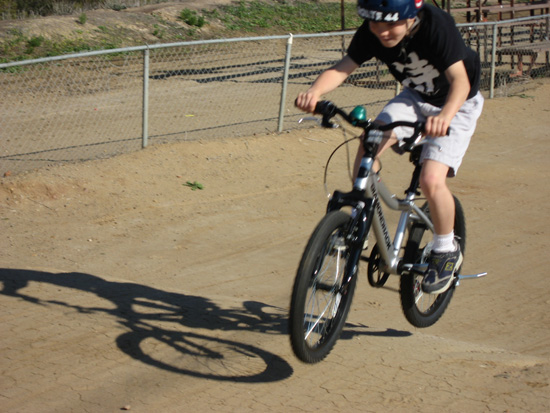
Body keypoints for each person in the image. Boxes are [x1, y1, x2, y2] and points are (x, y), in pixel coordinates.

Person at [295, 0, 484, 294]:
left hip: (456, 105)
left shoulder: (436, 25)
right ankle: (358, 219)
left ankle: (446, 249)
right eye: (376, 23)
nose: (382, 32)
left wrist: (445, 116)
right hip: (414, 97)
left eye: (391, 24)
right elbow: (343, 68)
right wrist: (314, 91)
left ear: (411, 17)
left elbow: (460, 81)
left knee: (431, 180)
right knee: (368, 144)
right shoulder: (373, 30)